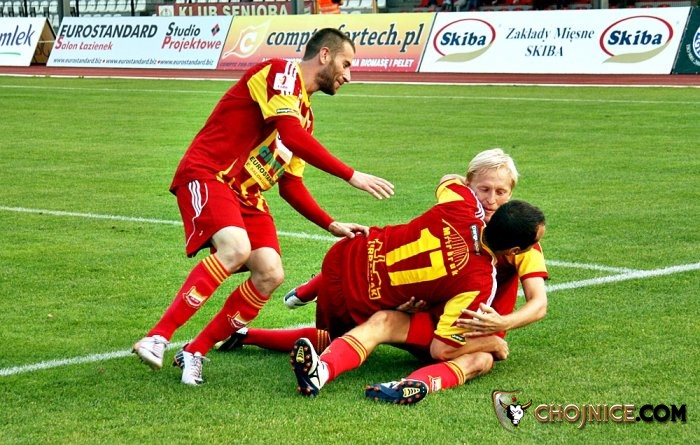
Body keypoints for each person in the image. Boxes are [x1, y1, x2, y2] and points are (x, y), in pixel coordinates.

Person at [132, 28, 395, 385]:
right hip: (211, 173)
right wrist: (351, 175)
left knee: (270, 273)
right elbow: (290, 135)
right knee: (236, 248)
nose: (348, 75)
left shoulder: (306, 117)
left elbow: (291, 185)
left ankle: (195, 350)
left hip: (247, 196)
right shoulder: (280, 72)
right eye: (346, 64)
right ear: (325, 54)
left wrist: (331, 224)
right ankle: (157, 336)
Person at [219, 148, 548, 403]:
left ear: (511, 194)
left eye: (500, 192)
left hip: (465, 325)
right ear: (470, 184)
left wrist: (498, 328)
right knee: (378, 322)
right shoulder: (474, 233)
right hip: (428, 312)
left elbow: (538, 304)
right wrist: (493, 339)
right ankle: (310, 364)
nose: (491, 199)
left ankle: (412, 385)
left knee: (481, 358)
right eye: (484, 189)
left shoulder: (505, 232)